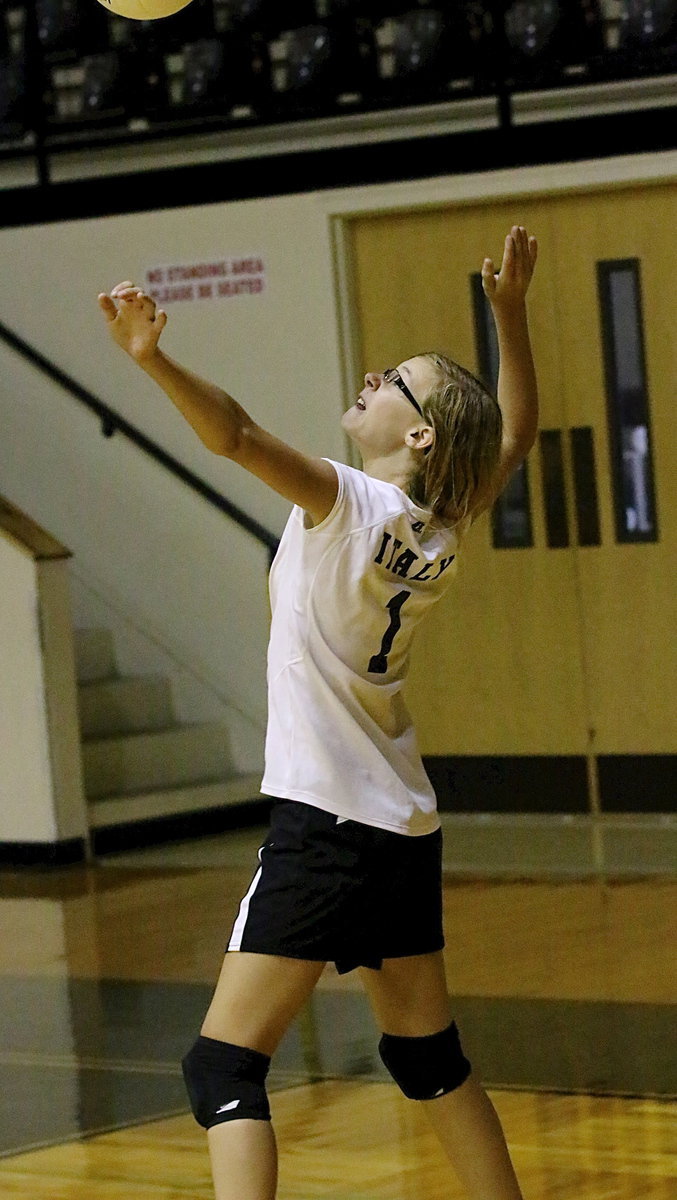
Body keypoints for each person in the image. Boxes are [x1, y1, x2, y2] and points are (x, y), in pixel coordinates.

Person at [98, 224, 538, 1200]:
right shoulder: (442, 524)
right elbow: (512, 435)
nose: (373, 378)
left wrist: (153, 359)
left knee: (221, 1068)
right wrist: (508, 316)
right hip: (399, 823)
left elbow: (235, 435)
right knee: (427, 1059)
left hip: (327, 821)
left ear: (418, 437)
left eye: (395, 382)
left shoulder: (350, 503)